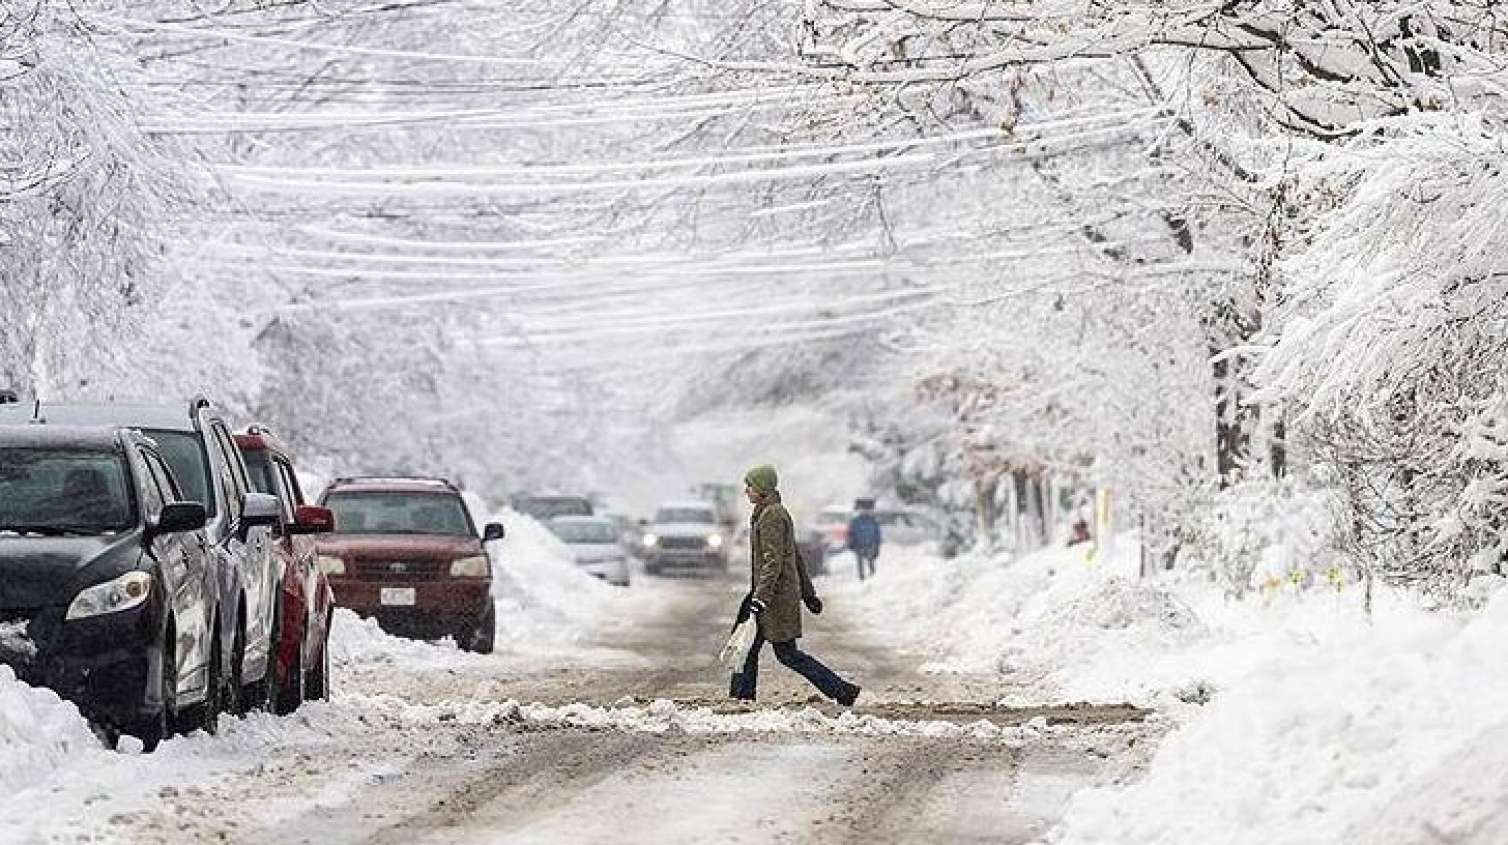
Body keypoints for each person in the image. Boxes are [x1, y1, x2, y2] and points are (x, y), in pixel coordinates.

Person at [729, 464, 860, 706]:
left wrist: (760, 599)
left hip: (773, 597)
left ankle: (842, 690)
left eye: (750, 486)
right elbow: (795, 556)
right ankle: (741, 696)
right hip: (769, 593)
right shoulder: (769, 512)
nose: (746, 490)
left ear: (762, 489)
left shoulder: (772, 516)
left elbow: (774, 561)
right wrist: (808, 594)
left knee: (785, 653)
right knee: (748, 646)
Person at [847, 498, 882, 581]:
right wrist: (851, 542)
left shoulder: (873, 521)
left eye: (867, 509)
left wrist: (877, 545)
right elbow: (851, 532)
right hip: (859, 545)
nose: (865, 511)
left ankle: (873, 576)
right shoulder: (855, 521)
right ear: (859, 510)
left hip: (871, 544)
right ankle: (861, 578)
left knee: (870, 561)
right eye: (862, 509)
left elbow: (877, 533)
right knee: (860, 563)